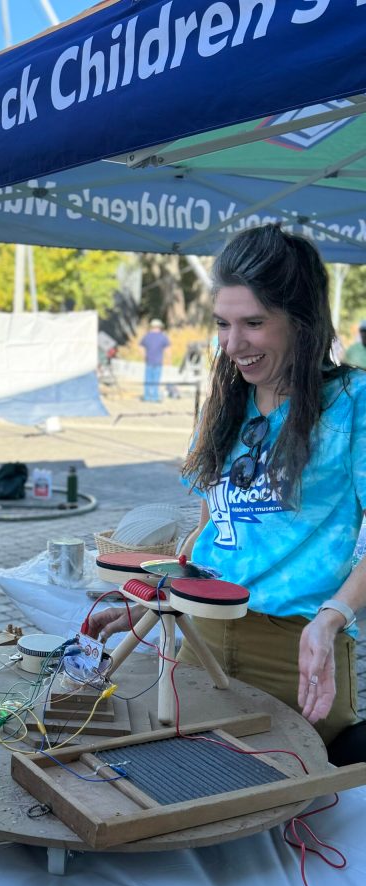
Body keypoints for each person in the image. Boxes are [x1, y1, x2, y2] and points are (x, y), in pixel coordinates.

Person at [90, 224, 366, 764]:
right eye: (222, 323)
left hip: (296, 648)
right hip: (199, 636)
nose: (233, 345)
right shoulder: (224, 401)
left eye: (254, 323)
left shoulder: (352, 404)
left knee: (297, 812)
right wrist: (156, 604)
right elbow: (211, 528)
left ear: (302, 322)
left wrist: (334, 615)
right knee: (202, 788)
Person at [139, 318, 171, 401]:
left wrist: (144, 356)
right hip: (158, 362)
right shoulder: (163, 337)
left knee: (148, 380)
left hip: (149, 361)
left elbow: (141, 347)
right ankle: (154, 397)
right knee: (156, 381)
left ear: (151, 327)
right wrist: (168, 360)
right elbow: (167, 349)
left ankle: (147, 397)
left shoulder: (147, 336)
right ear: (160, 327)